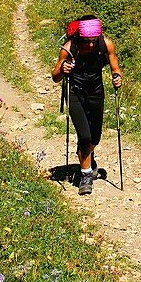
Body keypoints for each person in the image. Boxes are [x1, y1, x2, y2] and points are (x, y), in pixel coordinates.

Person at [51, 17, 122, 195]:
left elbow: (115, 68)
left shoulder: (105, 45)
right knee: (84, 136)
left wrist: (117, 77)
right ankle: (86, 175)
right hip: (75, 92)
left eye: (93, 41)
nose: (90, 45)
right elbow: (55, 76)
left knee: (95, 137)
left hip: (96, 91)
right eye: (86, 41)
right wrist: (62, 69)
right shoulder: (69, 48)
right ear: (80, 37)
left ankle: (85, 155)